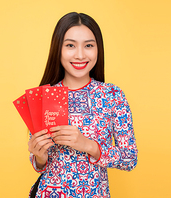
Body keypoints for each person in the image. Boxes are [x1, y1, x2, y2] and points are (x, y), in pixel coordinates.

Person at [28, 12, 138, 198]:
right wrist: (39, 156)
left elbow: (129, 159)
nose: (80, 55)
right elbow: (39, 165)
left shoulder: (112, 96)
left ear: (98, 49)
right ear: (58, 49)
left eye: (88, 46)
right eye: (70, 45)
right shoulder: (44, 96)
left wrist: (88, 145)